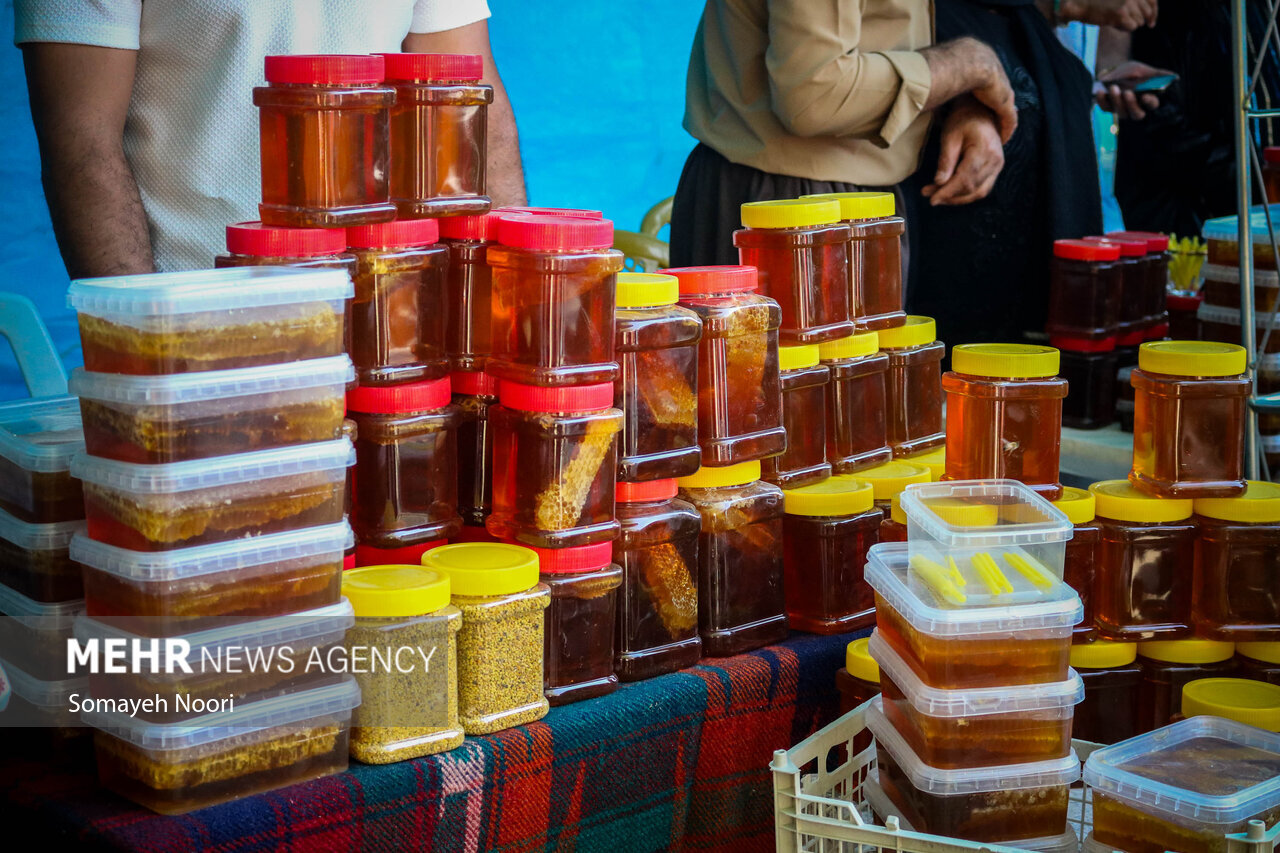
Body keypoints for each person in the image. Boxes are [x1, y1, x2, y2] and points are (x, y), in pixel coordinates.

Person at [14, 1, 528, 278]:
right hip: (202, 311)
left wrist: (504, 301)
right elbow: (81, 145)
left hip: (382, 313)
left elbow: (473, 107)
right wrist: (143, 338)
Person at [670, 0, 1019, 267]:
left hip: (849, 198)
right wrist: (968, 65)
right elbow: (815, 94)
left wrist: (961, 100)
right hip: (794, 203)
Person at [901, 0, 1157, 348]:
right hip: (949, 304)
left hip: (1022, 303)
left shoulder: (1022, 24)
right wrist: (965, 101)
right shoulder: (931, 20)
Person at [1099, 1, 1280, 237]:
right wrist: (1259, 181)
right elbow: (1164, 127)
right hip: (1189, 223)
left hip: (1255, 216)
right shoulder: (1175, 14)